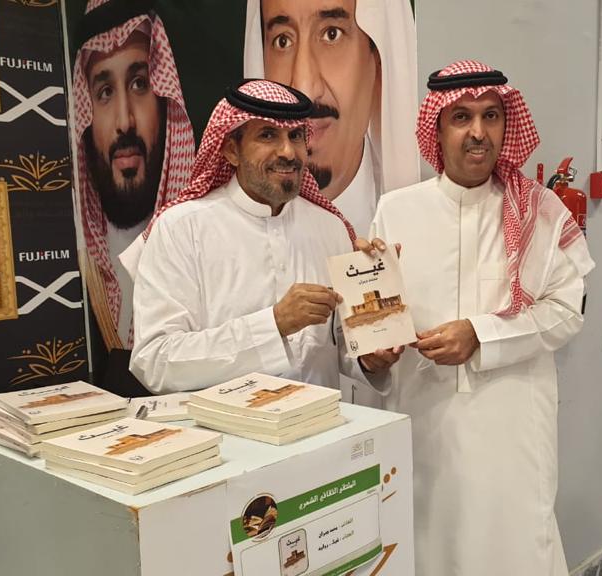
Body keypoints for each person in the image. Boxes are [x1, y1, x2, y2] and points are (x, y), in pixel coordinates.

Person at [370, 60, 594, 575]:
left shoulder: (540, 210)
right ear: (437, 129)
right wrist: (373, 358)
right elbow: (375, 320)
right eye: (461, 117)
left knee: (515, 550)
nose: (478, 132)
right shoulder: (395, 211)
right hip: (424, 427)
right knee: (430, 551)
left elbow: (566, 311)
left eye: (491, 116)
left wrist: (480, 335)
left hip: (512, 429)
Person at [129, 79, 399, 394]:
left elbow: (338, 343)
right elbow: (154, 361)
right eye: (268, 135)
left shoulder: (330, 227)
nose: (288, 152)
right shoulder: (181, 229)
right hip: (228, 425)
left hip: (321, 421)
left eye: (295, 136)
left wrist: (369, 358)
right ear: (231, 150)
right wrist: (274, 324)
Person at [72, 0, 195, 351]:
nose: (124, 121)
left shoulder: (198, 239)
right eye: (105, 92)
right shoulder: (77, 262)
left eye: (140, 84)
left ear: (165, 101)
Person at [242, 0, 419, 237]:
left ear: (378, 57)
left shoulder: (429, 227)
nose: (304, 88)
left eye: (331, 34)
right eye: (282, 40)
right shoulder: (214, 237)